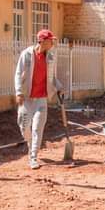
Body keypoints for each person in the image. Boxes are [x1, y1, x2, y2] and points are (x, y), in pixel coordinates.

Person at [14, 29, 64, 170]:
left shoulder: (51, 57)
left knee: (37, 128)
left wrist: (59, 86)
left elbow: (52, 77)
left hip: (41, 98)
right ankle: (29, 143)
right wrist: (18, 92)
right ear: (42, 41)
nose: (52, 43)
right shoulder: (27, 55)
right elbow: (18, 74)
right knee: (24, 126)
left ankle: (33, 157)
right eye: (50, 40)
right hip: (27, 98)